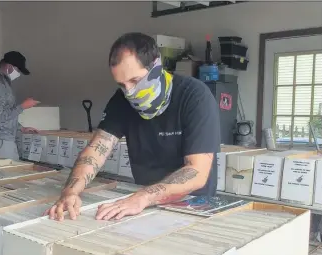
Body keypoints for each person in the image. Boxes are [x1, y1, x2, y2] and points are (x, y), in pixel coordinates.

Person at [46, 32, 221, 221]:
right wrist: (71, 192)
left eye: (135, 81)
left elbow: (197, 171)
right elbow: (96, 150)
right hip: (142, 205)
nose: (129, 92)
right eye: (122, 84)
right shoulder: (121, 101)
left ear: (156, 66)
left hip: (192, 206)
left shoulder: (194, 96)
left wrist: (143, 197)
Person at [0, 51, 40, 160]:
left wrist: (20, 128)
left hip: (1, 139)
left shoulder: (2, 80)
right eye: (17, 70)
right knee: (8, 174)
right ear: (9, 66)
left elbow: (5, 110)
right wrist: (22, 106)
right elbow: (0, 117)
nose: (18, 74)